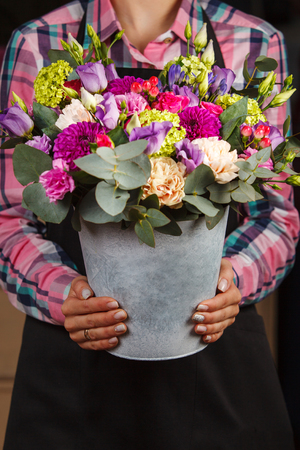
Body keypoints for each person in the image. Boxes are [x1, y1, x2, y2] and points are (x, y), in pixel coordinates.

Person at [0, 0, 298, 448]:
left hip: (214, 362)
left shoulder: (254, 42)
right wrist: (62, 293)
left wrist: (231, 278)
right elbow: (11, 216)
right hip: (72, 375)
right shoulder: (38, 42)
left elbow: (277, 213)